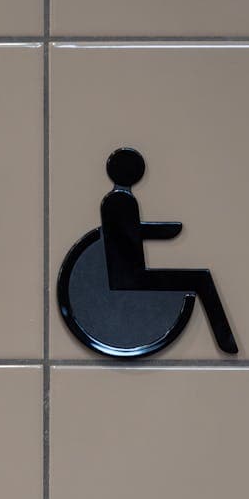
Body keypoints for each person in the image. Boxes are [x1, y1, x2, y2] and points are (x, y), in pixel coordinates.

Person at [100, 148, 238, 353]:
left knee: (200, 279)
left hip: (126, 274)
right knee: (200, 279)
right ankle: (225, 341)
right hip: (130, 277)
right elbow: (129, 235)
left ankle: (225, 342)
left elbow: (130, 233)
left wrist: (167, 229)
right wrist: (166, 230)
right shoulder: (121, 200)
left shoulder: (115, 200)